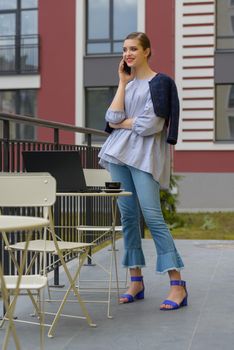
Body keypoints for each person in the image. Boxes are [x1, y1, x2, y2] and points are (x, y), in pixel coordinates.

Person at [98, 32, 187, 310]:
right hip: (117, 155)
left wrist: (125, 122)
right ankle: (135, 281)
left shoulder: (160, 83)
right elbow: (111, 119)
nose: (128, 54)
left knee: (152, 216)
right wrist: (122, 83)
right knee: (127, 217)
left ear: (147, 51)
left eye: (134, 48)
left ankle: (177, 285)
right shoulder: (128, 83)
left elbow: (151, 125)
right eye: (125, 49)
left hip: (144, 157)